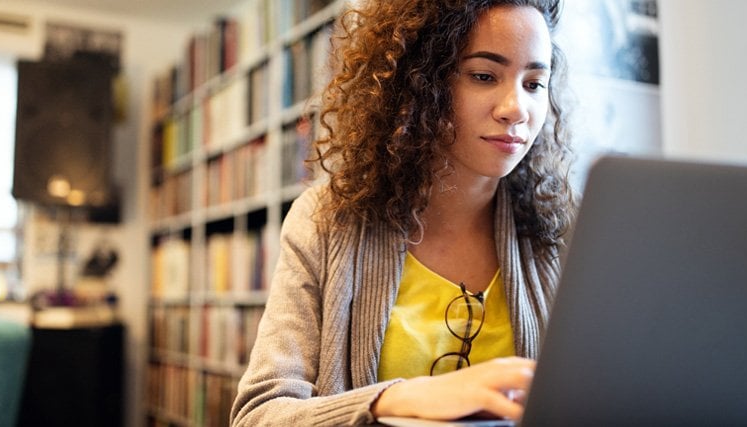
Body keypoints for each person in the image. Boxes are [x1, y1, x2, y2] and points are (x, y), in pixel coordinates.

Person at [230, 0, 575, 425]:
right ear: (418, 81)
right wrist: (393, 401)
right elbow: (257, 414)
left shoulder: (564, 231)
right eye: (484, 76)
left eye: (535, 83)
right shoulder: (324, 221)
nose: (517, 108)